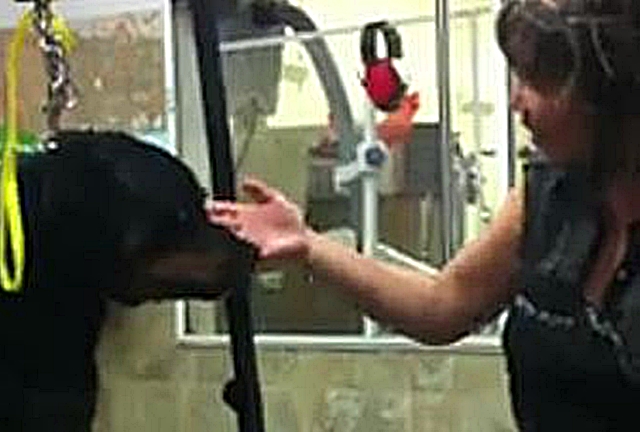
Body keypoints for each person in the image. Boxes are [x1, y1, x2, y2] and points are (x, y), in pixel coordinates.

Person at [207, 0, 640, 430]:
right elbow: (441, 305)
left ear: (611, 94)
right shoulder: (546, 197)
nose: (516, 101)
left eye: (538, 82)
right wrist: (308, 245)